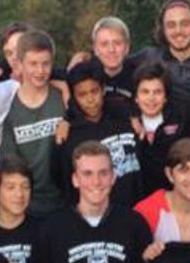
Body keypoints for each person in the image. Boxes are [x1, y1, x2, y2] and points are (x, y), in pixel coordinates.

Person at [55, 59, 143, 209]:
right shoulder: (68, 134)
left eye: (94, 91)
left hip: (136, 210)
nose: (90, 99)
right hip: (95, 217)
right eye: (82, 94)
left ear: (103, 89)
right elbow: (65, 184)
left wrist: (133, 116)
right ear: (74, 97)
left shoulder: (126, 117)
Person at [0, 30, 67, 218]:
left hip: (64, 202)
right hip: (28, 207)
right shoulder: (8, 108)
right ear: (19, 64)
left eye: (45, 64)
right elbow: (10, 164)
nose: (40, 71)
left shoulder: (63, 97)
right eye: (33, 64)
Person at [131, 0, 190, 121]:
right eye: (171, 25)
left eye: (184, 24)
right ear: (163, 30)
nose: (178, 31)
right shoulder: (147, 57)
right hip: (158, 136)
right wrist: (131, 115)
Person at [132, 62, 184, 195]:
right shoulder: (127, 125)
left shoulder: (179, 123)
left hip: (171, 199)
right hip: (135, 201)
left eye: (157, 92)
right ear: (136, 97)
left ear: (166, 97)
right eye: (145, 92)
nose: (151, 98)